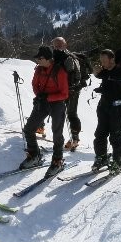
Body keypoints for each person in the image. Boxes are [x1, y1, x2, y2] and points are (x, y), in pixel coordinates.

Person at [19, 46, 69, 176]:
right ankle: (34, 155)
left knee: (57, 134)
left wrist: (49, 97)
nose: (37, 60)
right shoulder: (39, 70)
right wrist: (40, 95)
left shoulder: (60, 71)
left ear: (48, 59)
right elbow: (34, 84)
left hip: (57, 103)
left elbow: (64, 94)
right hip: (43, 102)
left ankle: (57, 161)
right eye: (37, 58)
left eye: (40, 58)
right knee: (29, 129)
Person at [91, 49, 121, 173]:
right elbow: (99, 74)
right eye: (101, 61)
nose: (102, 63)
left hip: (117, 107)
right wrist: (96, 72)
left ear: (112, 59)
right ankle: (102, 157)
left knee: (116, 135)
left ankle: (118, 162)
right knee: (100, 134)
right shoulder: (105, 72)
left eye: (104, 60)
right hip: (103, 106)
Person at [52, 37, 84, 151]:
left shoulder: (69, 57)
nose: (57, 47)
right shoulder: (56, 56)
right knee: (57, 112)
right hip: (61, 90)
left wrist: (71, 88)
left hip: (72, 90)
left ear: (65, 45)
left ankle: (74, 139)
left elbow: (73, 75)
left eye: (59, 45)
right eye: (55, 45)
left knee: (71, 114)